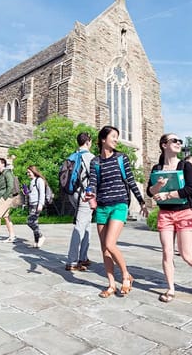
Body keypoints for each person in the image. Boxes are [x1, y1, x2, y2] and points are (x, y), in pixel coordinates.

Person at [148, 134, 192, 303]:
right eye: (174, 141)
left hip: (185, 212)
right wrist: (158, 187)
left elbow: (191, 189)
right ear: (164, 145)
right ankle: (170, 288)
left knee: (186, 254)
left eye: (179, 141)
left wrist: (168, 194)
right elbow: (150, 191)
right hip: (165, 214)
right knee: (167, 253)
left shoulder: (185, 166)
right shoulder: (157, 168)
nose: (178, 143)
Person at [85, 126, 148, 298]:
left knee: (111, 244)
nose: (116, 140)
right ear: (103, 139)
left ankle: (126, 275)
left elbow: (131, 181)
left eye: (117, 137)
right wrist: (89, 192)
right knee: (105, 249)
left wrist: (141, 202)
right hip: (102, 207)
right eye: (113, 136)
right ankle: (111, 284)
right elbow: (93, 182)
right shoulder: (95, 162)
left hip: (119, 204)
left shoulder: (121, 158)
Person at [65, 132, 95, 271]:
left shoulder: (72, 156)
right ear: (88, 142)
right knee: (80, 226)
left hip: (73, 194)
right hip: (85, 195)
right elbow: (94, 178)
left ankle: (83, 257)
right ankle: (72, 261)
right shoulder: (90, 157)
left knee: (86, 224)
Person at [25, 165, 48, 248]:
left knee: (30, 221)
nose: (28, 174)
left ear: (34, 171)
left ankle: (41, 236)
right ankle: (36, 242)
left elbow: (42, 193)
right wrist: (27, 193)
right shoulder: (32, 181)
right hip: (31, 203)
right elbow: (33, 193)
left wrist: (40, 204)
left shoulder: (39, 180)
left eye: (29, 172)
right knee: (35, 223)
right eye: (27, 172)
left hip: (36, 204)